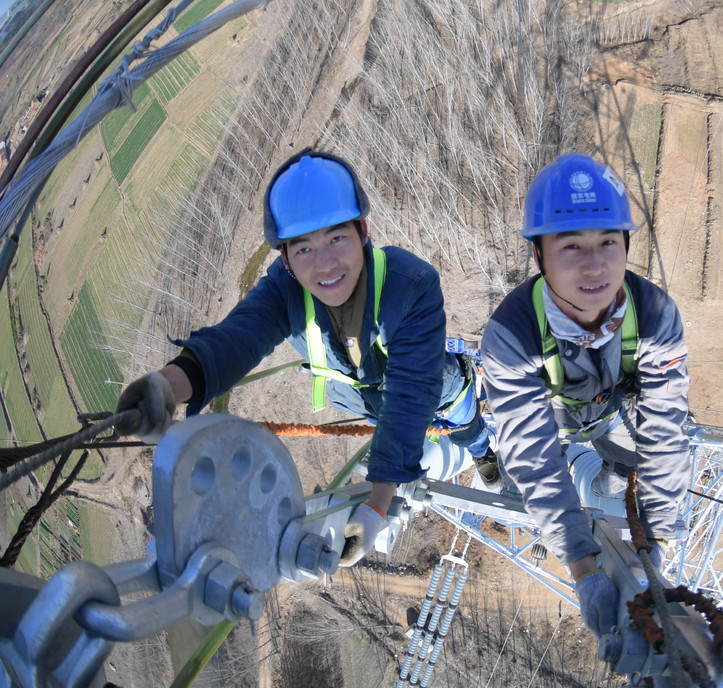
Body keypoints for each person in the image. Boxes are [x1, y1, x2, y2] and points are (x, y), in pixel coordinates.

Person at [115, 148, 494, 566]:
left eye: (336, 238)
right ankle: (472, 447)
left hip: (438, 390)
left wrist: (377, 504)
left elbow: (412, 397)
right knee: (400, 428)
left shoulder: (411, 286)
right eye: (304, 249)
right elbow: (238, 336)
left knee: (466, 424)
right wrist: (170, 386)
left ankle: (482, 453)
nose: (326, 264)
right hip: (367, 404)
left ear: (363, 231)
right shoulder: (285, 291)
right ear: (286, 259)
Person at [478, 153, 691, 638]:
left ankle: (607, 477)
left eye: (608, 243)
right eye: (571, 246)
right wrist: (580, 563)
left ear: (626, 244)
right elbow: (534, 456)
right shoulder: (512, 336)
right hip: (551, 423)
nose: (594, 265)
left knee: (631, 465)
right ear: (539, 254)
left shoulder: (656, 316)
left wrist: (652, 540)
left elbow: (664, 434)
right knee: (538, 468)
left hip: (611, 417)